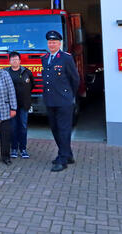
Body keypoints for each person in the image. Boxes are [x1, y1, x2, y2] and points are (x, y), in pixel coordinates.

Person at [41, 30, 80, 172]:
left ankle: (62, 159)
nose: (52, 44)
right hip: (50, 100)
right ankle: (67, 154)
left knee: (64, 130)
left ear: (59, 43)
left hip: (64, 101)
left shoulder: (66, 58)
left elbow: (75, 79)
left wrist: (69, 95)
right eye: (50, 42)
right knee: (55, 129)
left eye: (54, 42)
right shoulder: (44, 58)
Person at [6, 51, 35, 159]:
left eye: (16, 59)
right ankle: (13, 148)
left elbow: (32, 85)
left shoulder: (26, 72)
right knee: (12, 127)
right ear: (9, 61)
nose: (14, 61)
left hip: (24, 105)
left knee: (23, 126)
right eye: (12, 59)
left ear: (20, 61)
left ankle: (23, 149)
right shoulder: (6, 72)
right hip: (11, 106)